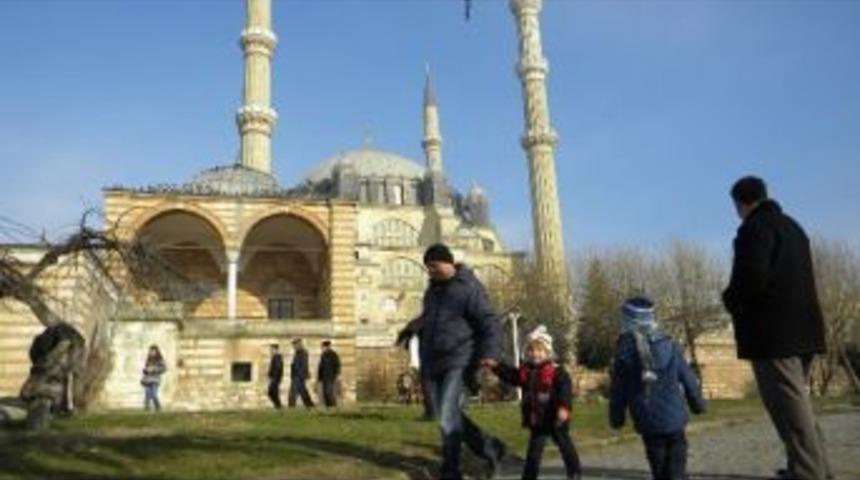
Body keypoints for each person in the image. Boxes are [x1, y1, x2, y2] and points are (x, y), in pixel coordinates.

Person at [722, 176, 830, 480]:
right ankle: (815, 467)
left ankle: (808, 473)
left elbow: (752, 275)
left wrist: (730, 299)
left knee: (788, 408)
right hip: (805, 329)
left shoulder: (754, 229)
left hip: (774, 334)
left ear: (740, 203)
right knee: (799, 405)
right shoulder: (792, 227)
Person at [397, 243, 506, 480]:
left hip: (460, 359)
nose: (430, 272)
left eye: (434, 266)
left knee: (448, 414)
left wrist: (491, 354)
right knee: (447, 414)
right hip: (434, 360)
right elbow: (430, 318)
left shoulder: (468, 288)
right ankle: (491, 448)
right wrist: (411, 328)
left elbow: (488, 321)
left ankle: (451, 470)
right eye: (427, 268)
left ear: (447, 262)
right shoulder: (433, 291)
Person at [609, 297, 706, 480]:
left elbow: (618, 391)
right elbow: (688, 379)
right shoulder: (669, 345)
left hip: (647, 420)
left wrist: (617, 417)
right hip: (674, 417)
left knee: (658, 466)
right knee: (677, 463)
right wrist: (698, 404)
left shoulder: (623, 353)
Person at [494, 325, 582, 480]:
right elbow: (511, 376)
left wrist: (564, 407)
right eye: (531, 350)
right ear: (527, 353)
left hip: (556, 417)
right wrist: (496, 367)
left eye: (540, 351)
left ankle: (574, 472)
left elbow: (565, 390)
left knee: (564, 444)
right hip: (538, 420)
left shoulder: (556, 371)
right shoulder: (526, 372)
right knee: (534, 452)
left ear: (548, 352)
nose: (535, 354)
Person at [288, 338, 314, 408]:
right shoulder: (297, 352)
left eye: (295, 345)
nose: (294, 347)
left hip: (299, 376)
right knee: (303, 392)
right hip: (296, 375)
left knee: (293, 393)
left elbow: (303, 365)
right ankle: (310, 405)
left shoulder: (303, 352)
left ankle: (291, 407)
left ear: (299, 344)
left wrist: (300, 374)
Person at [141, 344, 167, 412]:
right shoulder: (148, 359)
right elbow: (145, 369)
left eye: (153, 351)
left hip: (155, 380)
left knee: (154, 394)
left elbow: (164, 368)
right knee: (147, 394)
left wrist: (154, 369)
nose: (151, 352)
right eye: (150, 351)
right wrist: (146, 370)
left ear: (156, 351)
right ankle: (147, 408)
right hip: (147, 379)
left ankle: (158, 406)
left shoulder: (160, 360)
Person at [317, 340, 341, 408]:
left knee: (329, 392)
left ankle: (333, 406)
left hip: (331, 377)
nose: (322, 348)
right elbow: (320, 367)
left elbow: (337, 365)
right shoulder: (323, 355)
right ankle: (328, 406)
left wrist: (337, 374)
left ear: (327, 347)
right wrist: (319, 377)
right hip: (324, 377)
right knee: (325, 393)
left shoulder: (334, 355)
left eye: (323, 347)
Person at [267, 344, 284, 409]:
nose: (270, 351)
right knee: (273, 392)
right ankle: (278, 406)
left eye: (271, 349)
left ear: (275, 349)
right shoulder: (275, 357)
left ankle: (278, 405)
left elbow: (278, 368)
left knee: (271, 392)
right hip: (274, 378)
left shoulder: (277, 357)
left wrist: (274, 377)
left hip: (275, 379)